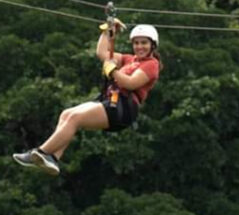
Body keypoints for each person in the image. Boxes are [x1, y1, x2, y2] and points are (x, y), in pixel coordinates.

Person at [13, 21, 161, 176]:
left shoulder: (152, 64)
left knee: (75, 118)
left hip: (123, 107)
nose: (139, 47)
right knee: (66, 114)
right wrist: (107, 31)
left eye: (144, 43)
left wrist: (113, 71)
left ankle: (40, 152)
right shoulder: (129, 59)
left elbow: (130, 83)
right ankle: (53, 158)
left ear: (153, 45)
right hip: (112, 101)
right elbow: (102, 53)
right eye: (136, 43)